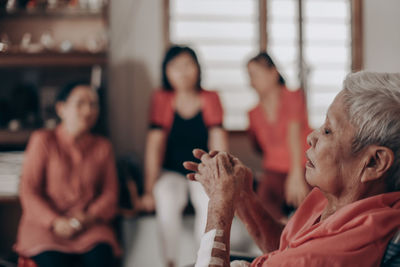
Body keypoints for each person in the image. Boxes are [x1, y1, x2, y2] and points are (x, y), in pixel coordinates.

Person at [184, 71, 400, 266]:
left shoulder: (334, 252)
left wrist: (219, 204)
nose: (311, 136)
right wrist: (243, 197)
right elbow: (287, 245)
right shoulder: (340, 196)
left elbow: (298, 257)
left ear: (375, 162)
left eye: (328, 131)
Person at [139, 45, 228, 267]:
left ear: (197, 68)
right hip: (170, 172)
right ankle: (170, 262)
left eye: (188, 64)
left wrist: (220, 180)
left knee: (208, 203)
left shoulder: (210, 97)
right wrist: (148, 190)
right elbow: (154, 145)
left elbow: (219, 141)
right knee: (167, 200)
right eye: (175, 66)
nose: (182, 71)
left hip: (201, 173)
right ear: (166, 71)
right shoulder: (161, 98)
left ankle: (205, 262)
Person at [14, 82, 120, 267]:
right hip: (45, 226)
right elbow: (29, 190)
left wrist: (87, 217)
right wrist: (54, 221)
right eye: (80, 103)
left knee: (101, 258)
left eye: (93, 104)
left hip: (89, 225)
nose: (88, 110)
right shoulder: (43, 140)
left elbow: (110, 194)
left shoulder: (103, 146)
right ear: (61, 108)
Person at [246, 52, 312, 220]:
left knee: (312, 203)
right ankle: (282, 233)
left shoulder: (292, 97)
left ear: (273, 73)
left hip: (303, 166)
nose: (251, 81)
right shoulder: (253, 113)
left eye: (255, 75)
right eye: (249, 76)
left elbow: (294, 135)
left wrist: (295, 174)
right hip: (273, 171)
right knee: (260, 205)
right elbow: (258, 147)